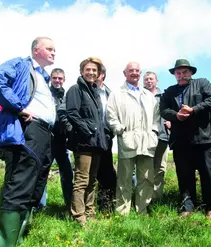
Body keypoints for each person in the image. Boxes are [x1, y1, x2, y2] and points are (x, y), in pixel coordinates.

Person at [0, 37, 56, 246]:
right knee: (19, 184)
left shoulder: (44, 76)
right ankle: (5, 243)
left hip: (44, 134)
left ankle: (18, 237)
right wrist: (18, 107)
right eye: (49, 48)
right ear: (36, 50)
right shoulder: (20, 64)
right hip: (28, 131)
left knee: (34, 186)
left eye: (55, 49)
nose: (54, 52)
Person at [160, 59, 211, 219]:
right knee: (184, 175)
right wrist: (176, 115)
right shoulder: (170, 91)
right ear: (175, 75)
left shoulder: (202, 83)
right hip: (180, 141)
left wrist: (193, 110)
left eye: (185, 72)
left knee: (207, 174)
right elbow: (163, 110)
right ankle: (187, 206)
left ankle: (209, 207)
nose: (181, 75)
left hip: (202, 139)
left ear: (191, 72)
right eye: (178, 73)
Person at [107, 62, 160, 215]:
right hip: (127, 139)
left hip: (147, 140)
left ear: (140, 73)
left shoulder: (148, 95)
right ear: (125, 73)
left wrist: (154, 132)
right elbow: (111, 115)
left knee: (146, 177)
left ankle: (142, 209)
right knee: (124, 178)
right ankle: (123, 211)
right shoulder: (117, 94)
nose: (134, 73)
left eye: (137, 70)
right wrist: (119, 130)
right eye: (131, 71)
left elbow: (156, 117)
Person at [66, 57, 108, 226]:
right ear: (82, 71)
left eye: (94, 70)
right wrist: (89, 130)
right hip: (83, 142)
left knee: (92, 180)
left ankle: (90, 213)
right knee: (81, 180)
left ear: (99, 74)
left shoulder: (95, 92)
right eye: (88, 69)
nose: (91, 73)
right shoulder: (76, 90)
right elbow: (72, 114)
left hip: (96, 143)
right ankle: (78, 216)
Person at [38, 68, 73, 209]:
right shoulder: (45, 94)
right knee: (42, 173)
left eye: (60, 78)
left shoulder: (68, 96)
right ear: (50, 79)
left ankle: (70, 204)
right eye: (55, 78)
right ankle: (40, 206)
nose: (57, 81)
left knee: (68, 174)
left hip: (62, 141)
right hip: (47, 140)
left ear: (64, 80)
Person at [143, 71, 170, 202]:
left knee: (160, 168)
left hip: (162, 136)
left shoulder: (164, 96)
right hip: (145, 138)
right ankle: (144, 199)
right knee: (145, 169)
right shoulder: (139, 95)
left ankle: (156, 199)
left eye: (151, 79)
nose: (149, 81)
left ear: (157, 81)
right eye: (146, 79)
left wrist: (171, 121)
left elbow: (171, 111)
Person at [95, 65, 117, 213]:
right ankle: (86, 208)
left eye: (98, 72)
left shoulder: (110, 94)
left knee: (107, 173)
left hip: (106, 138)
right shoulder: (82, 90)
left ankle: (106, 206)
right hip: (89, 138)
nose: (94, 74)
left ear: (103, 75)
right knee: (88, 175)